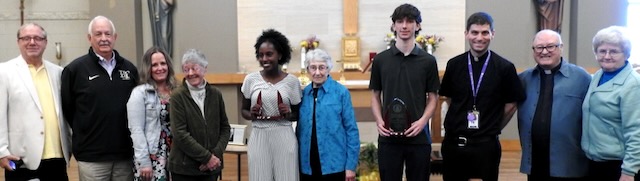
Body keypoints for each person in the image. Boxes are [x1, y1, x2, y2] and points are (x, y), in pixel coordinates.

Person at [439, 12, 525, 181]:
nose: (479, 38)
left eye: (485, 32)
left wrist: (492, 126)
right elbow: (449, 98)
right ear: (466, 34)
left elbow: (512, 104)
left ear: (493, 34)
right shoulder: (454, 64)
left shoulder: (505, 67)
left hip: (486, 145)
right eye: (475, 32)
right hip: (455, 143)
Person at [61, 15, 139, 181]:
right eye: (98, 34)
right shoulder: (75, 70)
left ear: (115, 37)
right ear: (89, 38)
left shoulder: (129, 69)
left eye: (107, 34)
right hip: (91, 157)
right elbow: (68, 109)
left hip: (124, 155)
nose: (104, 38)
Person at [369, 3, 440, 181]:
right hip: (388, 138)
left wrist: (423, 122)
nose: (404, 26)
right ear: (393, 26)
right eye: (399, 21)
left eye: (410, 21)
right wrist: (379, 121)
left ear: (418, 25)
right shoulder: (380, 60)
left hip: (419, 138)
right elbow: (375, 96)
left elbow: (433, 98)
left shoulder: (428, 61)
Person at [0, 23, 72, 181]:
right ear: (18, 42)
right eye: (26, 38)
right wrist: (2, 151)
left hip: (58, 158)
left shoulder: (58, 73)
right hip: (22, 160)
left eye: (38, 38)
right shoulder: (4, 72)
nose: (32, 42)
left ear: (45, 42)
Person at [517, 30, 591, 180]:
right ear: (533, 50)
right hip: (535, 161)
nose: (544, 51)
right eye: (539, 47)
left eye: (550, 46)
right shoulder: (524, 79)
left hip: (570, 163)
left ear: (561, 47)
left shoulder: (581, 77)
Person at [240, 29, 301, 181]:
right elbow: (244, 110)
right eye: (261, 55)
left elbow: (298, 114)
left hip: (283, 134)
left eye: (269, 54)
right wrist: (251, 114)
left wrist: (288, 114)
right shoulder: (251, 80)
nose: (264, 58)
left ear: (280, 55)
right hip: (259, 134)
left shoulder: (292, 82)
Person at [581, 26, 640, 181]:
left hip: (618, 166)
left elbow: (636, 131)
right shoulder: (598, 76)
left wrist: (629, 171)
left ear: (626, 54)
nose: (607, 56)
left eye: (614, 51)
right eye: (602, 51)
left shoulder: (633, 84)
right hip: (594, 162)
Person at [297, 49, 360, 181]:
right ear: (308, 70)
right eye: (313, 68)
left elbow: (351, 130)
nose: (317, 72)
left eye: (322, 67)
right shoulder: (304, 94)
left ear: (328, 68)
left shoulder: (340, 92)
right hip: (307, 165)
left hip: (334, 164)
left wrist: (350, 166)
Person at [169, 49, 231, 181]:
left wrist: (215, 156)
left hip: (212, 169)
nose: (190, 73)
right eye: (186, 70)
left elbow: (225, 128)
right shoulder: (177, 96)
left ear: (204, 69)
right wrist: (207, 158)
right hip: (184, 169)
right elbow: (180, 133)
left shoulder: (216, 94)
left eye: (194, 68)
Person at [127, 47, 177, 181]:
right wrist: (144, 162)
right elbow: (136, 130)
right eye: (154, 65)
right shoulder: (139, 93)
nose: (159, 68)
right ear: (147, 68)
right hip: (152, 156)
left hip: (176, 154)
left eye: (163, 63)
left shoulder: (177, 90)